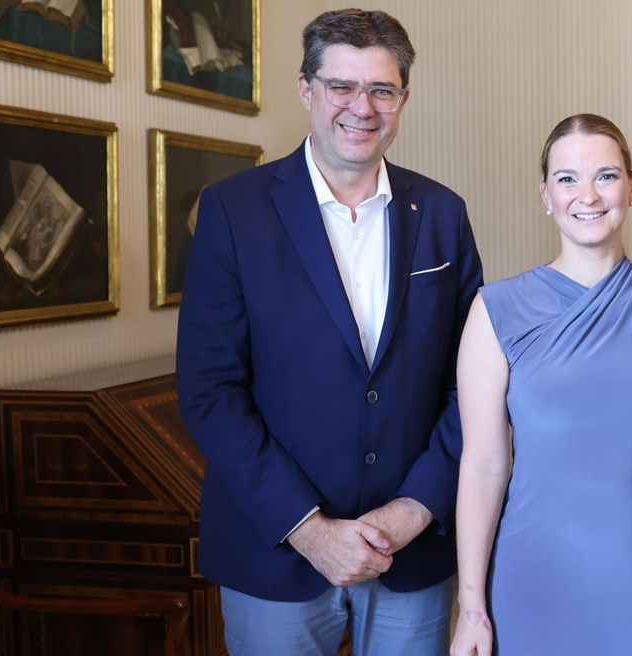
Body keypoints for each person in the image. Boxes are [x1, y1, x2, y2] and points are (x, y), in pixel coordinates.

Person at [176, 9, 482, 655]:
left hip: (411, 551)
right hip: (277, 550)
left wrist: (416, 508)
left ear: (403, 97)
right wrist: (309, 529)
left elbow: (473, 385)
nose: (361, 107)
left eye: (381, 89)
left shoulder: (443, 214)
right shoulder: (234, 210)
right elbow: (210, 390)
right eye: (341, 86)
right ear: (306, 88)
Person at [449, 114, 632, 656]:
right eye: (567, 178)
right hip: (535, 581)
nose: (588, 195)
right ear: (545, 193)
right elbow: (483, 466)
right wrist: (472, 607)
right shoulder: (495, 311)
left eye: (606, 175)